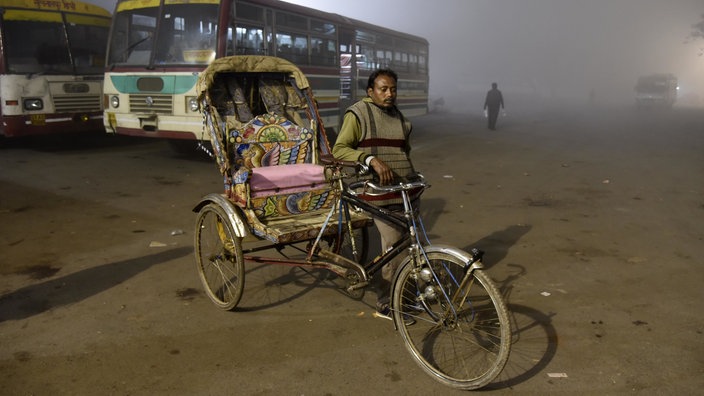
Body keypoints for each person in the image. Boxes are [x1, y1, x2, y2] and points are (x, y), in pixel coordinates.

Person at [332, 69, 419, 323]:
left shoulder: (400, 118)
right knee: (395, 247)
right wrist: (370, 159)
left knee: (411, 246)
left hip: (403, 191)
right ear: (370, 92)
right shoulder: (358, 113)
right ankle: (387, 302)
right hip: (373, 190)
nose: (389, 94)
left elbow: (405, 152)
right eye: (383, 89)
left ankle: (407, 295)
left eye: (393, 89)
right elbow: (339, 149)